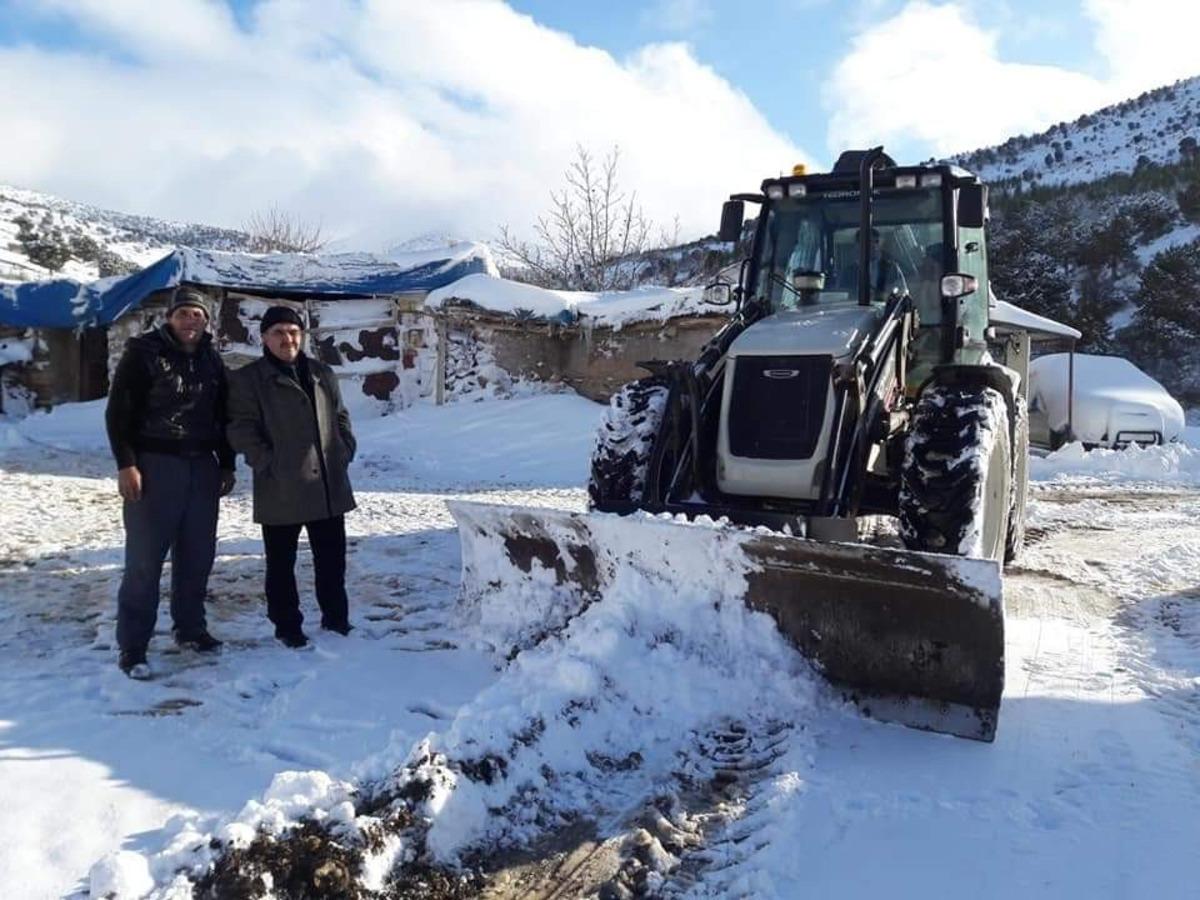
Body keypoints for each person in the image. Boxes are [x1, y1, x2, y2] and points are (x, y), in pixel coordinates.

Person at [105, 287, 236, 679]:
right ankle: (133, 647)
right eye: (183, 313)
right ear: (169, 318)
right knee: (145, 561)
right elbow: (119, 412)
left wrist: (227, 464)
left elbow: (223, 415)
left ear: (206, 320)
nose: (190, 320)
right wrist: (126, 464)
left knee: (197, 555)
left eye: (197, 314)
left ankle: (190, 629)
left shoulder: (211, 358)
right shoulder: (144, 353)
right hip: (154, 464)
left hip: (202, 466)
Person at [226, 306, 357, 648]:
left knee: (332, 560)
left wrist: (343, 449)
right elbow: (240, 428)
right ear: (264, 338)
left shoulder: (321, 373)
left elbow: (340, 416)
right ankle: (287, 626)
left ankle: (336, 618)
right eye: (279, 332)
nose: (288, 339)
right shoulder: (249, 379)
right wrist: (266, 461)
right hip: (281, 485)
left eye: (294, 332)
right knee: (281, 564)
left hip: (327, 483)